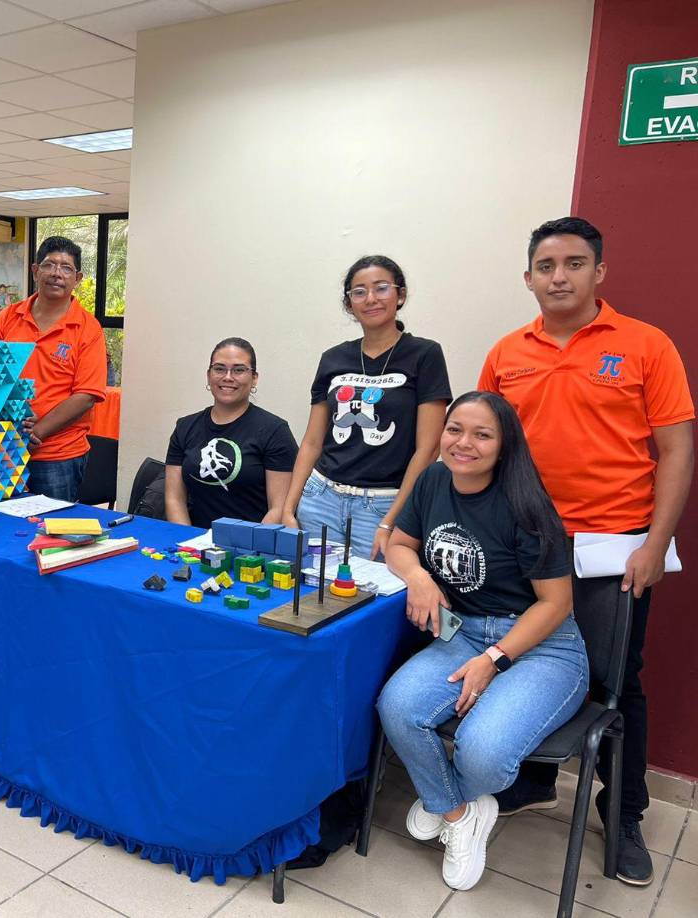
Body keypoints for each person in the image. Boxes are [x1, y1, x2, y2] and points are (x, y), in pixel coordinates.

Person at [479, 217, 694, 885]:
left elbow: (677, 448)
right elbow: (483, 442)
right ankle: (536, 780)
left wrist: (655, 544)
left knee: (615, 684)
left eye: (574, 263)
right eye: (546, 266)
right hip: (529, 545)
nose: (559, 277)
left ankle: (623, 814)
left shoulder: (644, 345)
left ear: (599, 272)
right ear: (528, 278)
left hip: (615, 549)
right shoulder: (508, 351)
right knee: (535, 664)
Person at [377, 391, 588, 892]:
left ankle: (447, 797)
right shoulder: (432, 480)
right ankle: (457, 813)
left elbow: (556, 604)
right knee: (397, 706)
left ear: (504, 444)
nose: (463, 443)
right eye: (455, 430)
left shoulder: (525, 502)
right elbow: (400, 545)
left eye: (481, 434)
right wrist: (420, 579)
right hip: (464, 631)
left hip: (544, 646)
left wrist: (494, 658)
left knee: (482, 752)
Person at [282, 256, 450, 559]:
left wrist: (390, 521)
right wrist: (288, 508)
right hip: (320, 497)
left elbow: (428, 448)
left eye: (381, 288)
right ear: (349, 304)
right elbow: (312, 441)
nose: (370, 298)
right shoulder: (333, 358)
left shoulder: (425, 354)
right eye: (359, 292)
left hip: (383, 504)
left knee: (370, 597)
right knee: (313, 595)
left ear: (400, 295)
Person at [0, 236, 107, 502]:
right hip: (3, 447)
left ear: (77, 278)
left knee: (51, 534)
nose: (56, 273)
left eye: (66, 268)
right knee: (0, 529)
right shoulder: (7, 319)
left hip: (58, 455)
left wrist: (36, 432)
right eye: (49, 264)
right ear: (34, 270)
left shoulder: (88, 329)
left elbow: (86, 395)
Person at [165, 338, 298, 529]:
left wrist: (244, 549)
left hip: (250, 549)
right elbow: (174, 500)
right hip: (194, 545)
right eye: (219, 369)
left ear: (254, 378)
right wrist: (190, 543)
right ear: (208, 375)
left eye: (239, 370)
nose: (228, 377)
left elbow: (279, 509)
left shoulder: (274, 430)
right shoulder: (185, 427)